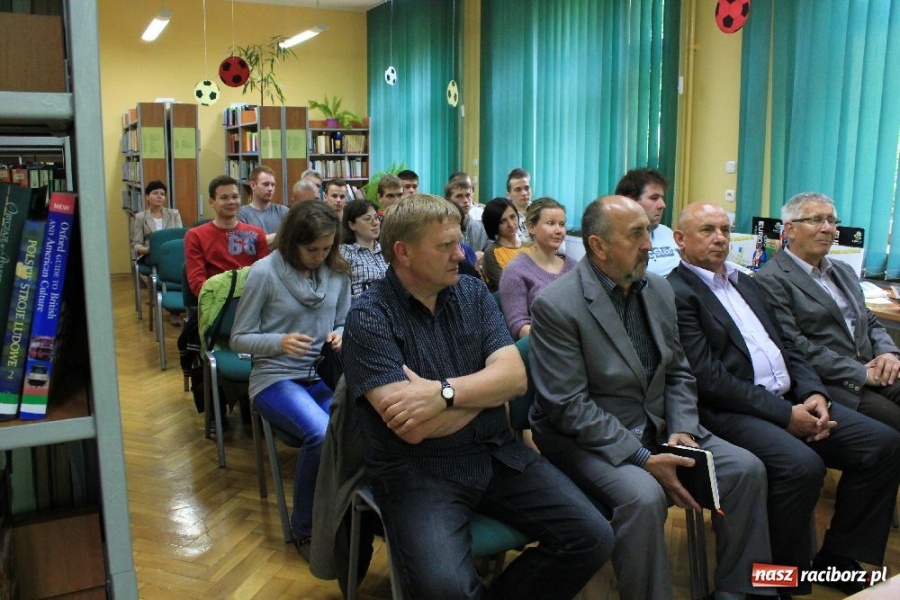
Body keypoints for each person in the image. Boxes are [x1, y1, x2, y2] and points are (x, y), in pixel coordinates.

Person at [342, 194, 613, 599]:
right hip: (418, 471)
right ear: (404, 252)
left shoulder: (471, 293)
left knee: (593, 537)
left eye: (458, 242)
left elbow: (516, 378)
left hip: (495, 454)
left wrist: (443, 393)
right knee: (446, 590)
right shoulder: (368, 318)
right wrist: (486, 391)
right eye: (445, 246)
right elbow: (414, 427)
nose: (460, 254)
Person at [529, 195, 771, 600]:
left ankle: (739, 591)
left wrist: (683, 431)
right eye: (636, 233)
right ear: (599, 246)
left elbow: (678, 371)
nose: (648, 243)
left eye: (648, 231)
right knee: (642, 498)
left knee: (746, 470)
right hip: (586, 437)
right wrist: (643, 458)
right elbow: (568, 405)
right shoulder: (556, 306)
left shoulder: (657, 289)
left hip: (660, 426)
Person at [668, 202, 900, 597]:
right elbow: (709, 378)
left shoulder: (745, 281)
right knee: (801, 466)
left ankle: (837, 558)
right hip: (732, 410)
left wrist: (813, 393)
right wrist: (785, 414)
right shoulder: (676, 292)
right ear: (679, 239)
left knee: (883, 444)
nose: (720, 238)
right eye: (707, 230)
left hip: (791, 396)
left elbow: (791, 346)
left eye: (725, 228)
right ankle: (775, 581)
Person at [230, 200, 351, 561]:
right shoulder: (265, 273)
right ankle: (305, 528)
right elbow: (239, 338)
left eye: (327, 248)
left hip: (321, 374)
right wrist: (278, 342)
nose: (320, 255)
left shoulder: (336, 271)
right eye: (312, 249)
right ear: (292, 242)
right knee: (320, 432)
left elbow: (344, 319)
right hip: (275, 377)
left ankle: (342, 514)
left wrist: (340, 333)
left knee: (353, 427)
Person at [757, 192, 900, 432]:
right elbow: (795, 345)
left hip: (874, 367)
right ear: (790, 230)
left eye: (832, 221)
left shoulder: (843, 270)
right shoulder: (771, 279)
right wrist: (861, 373)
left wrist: (888, 353)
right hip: (833, 382)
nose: (827, 228)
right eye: (816, 220)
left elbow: (869, 320)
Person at [499, 197, 576, 339]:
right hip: (543, 348)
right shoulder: (515, 271)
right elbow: (519, 326)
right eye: (550, 223)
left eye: (562, 224)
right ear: (531, 227)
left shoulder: (574, 267)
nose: (558, 230)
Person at [184, 175, 269, 297]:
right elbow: (197, 283)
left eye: (235, 196)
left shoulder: (257, 233)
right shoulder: (195, 235)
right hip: (216, 302)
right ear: (212, 202)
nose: (231, 202)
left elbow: (264, 275)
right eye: (224, 198)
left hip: (251, 299)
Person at [615, 167, 680, 276]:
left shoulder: (666, 232)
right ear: (630, 201)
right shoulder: (616, 240)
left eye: (662, 198)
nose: (662, 205)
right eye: (654, 198)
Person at [340, 198, 387, 297]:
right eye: (368, 219)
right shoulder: (345, 253)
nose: (375, 223)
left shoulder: (386, 250)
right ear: (351, 225)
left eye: (376, 217)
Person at [481, 197, 527, 292]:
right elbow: (507, 287)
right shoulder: (491, 252)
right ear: (493, 225)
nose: (510, 224)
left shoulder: (530, 246)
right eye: (503, 221)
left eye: (512, 217)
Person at [131, 180, 183, 258]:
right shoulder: (140, 217)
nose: (159, 196)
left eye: (162, 194)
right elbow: (136, 244)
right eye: (155, 193)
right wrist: (147, 250)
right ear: (147, 196)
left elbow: (180, 237)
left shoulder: (174, 214)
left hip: (171, 253)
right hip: (150, 254)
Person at [238, 166, 288, 245]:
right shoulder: (241, 213)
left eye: (273, 185)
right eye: (266, 184)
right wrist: (281, 236)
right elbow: (245, 244)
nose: (270, 188)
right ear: (253, 185)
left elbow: (293, 238)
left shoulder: (283, 211)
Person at [445, 178, 489, 253]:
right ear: (448, 199)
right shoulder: (443, 229)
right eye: (459, 196)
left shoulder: (482, 228)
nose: (465, 200)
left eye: (468, 195)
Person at [506, 167, 532, 241]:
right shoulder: (506, 218)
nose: (524, 193)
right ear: (509, 195)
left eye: (526, 188)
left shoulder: (541, 211)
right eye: (518, 190)